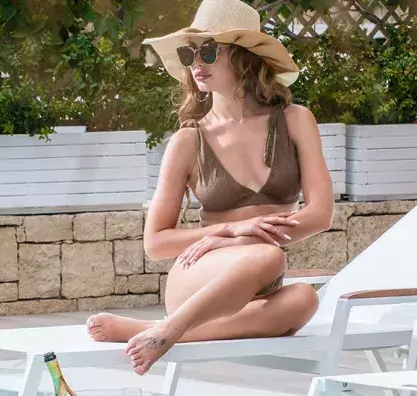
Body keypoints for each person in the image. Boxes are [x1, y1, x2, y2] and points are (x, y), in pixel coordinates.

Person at [85, 0, 334, 375]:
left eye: (209, 51)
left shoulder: (296, 121)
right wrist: (230, 232)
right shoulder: (189, 141)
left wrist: (244, 241)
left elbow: (321, 215)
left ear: (246, 58)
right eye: (189, 53)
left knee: (303, 299)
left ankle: (159, 331)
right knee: (271, 256)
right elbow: (155, 243)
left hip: (257, 282)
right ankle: (170, 326)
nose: (196, 63)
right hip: (201, 275)